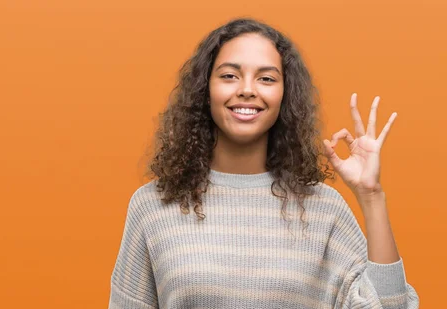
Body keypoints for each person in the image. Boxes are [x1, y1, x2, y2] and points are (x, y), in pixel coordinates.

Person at [108, 17, 419, 309]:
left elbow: (390, 305)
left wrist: (371, 196)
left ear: (284, 95)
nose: (247, 89)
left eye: (266, 78)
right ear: (206, 90)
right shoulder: (153, 206)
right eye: (229, 75)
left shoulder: (324, 209)